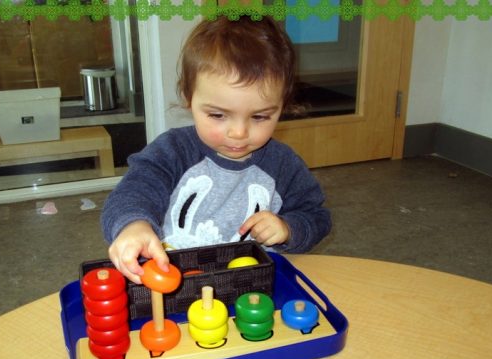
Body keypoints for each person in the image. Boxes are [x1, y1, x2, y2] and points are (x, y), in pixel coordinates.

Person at [101, 15, 331, 284]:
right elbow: (132, 192)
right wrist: (133, 225)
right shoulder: (172, 151)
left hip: (250, 289)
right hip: (171, 284)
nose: (238, 133)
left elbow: (317, 216)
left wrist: (289, 229)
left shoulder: (283, 165)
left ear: (282, 106)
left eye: (259, 117)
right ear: (190, 99)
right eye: (218, 115)